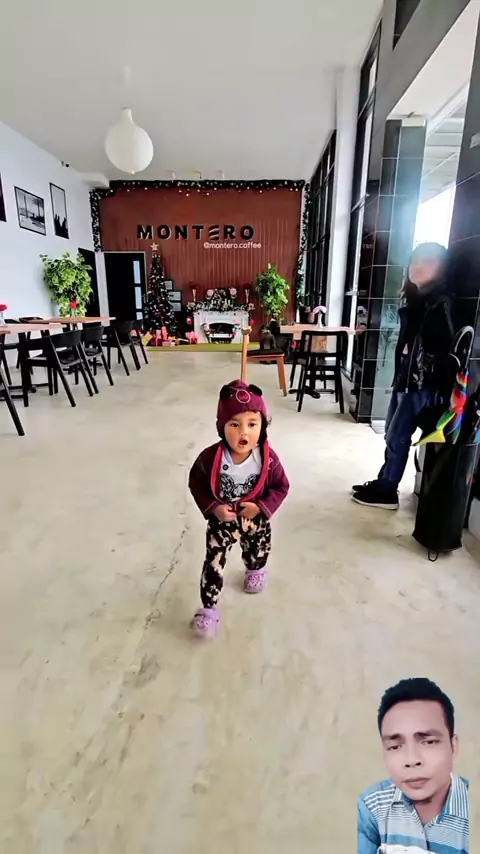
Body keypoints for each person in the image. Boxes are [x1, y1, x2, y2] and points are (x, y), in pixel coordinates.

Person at [353, 242, 455, 509]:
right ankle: (384, 481)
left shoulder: (440, 303)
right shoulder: (420, 301)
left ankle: (388, 490)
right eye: (415, 260)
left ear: (442, 267)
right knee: (391, 433)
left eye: (428, 261)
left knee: (398, 436)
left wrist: (418, 353)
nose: (418, 266)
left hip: (421, 385)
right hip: (407, 379)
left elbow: (446, 349)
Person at [188, 379, 289, 638]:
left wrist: (261, 507)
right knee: (213, 562)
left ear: (263, 426)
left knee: (257, 548)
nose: (244, 432)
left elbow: (281, 486)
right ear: (222, 427)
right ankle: (208, 609)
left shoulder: (268, 459)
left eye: (252, 424)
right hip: (222, 521)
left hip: (254, 518)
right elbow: (196, 481)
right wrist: (213, 508)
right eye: (234, 424)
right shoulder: (210, 458)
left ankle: (255, 569)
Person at [357, 678, 469, 854]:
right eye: (395, 747)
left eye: (428, 742)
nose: (412, 760)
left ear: (453, 747)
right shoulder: (371, 806)